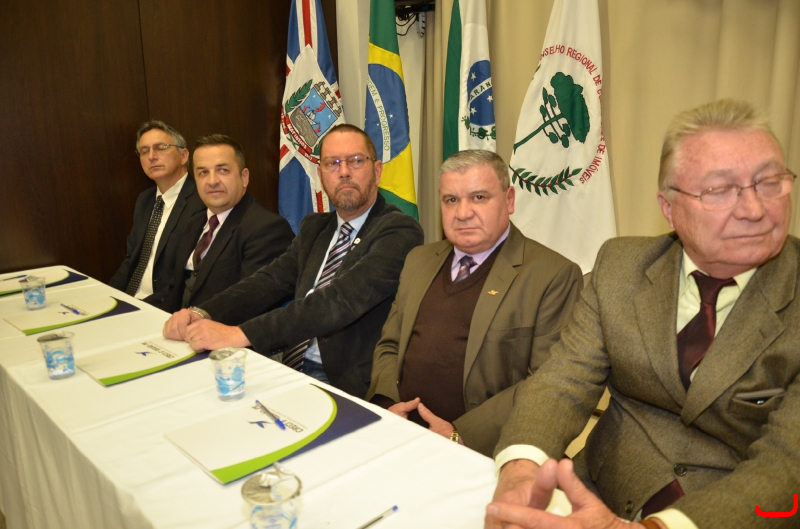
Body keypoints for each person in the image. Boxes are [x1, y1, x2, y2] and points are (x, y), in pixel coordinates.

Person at [485, 99, 800, 529]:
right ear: (669, 207)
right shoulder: (621, 266)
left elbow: (787, 465)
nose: (754, 210)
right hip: (592, 493)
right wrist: (522, 471)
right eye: (720, 191)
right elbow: (563, 382)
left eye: (769, 182)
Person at [163, 124, 425, 398]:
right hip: (287, 363)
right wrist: (202, 312)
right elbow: (268, 281)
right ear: (321, 175)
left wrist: (240, 334)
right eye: (332, 164)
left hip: (347, 380)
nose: (344, 172)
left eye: (356, 161)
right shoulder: (315, 227)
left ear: (377, 170)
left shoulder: (400, 231)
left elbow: (339, 301)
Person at [367, 150, 582, 457]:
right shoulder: (418, 260)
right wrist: (388, 405)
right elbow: (389, 345)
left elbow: (546, 385)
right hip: (400, 435)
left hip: (480, 453)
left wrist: (461, 435)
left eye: (479, 197)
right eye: (451, 200)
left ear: (509, 200)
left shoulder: (552, 276)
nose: (463, 213)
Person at [149, 134, 294, 313]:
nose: (212, 181)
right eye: (203, 172)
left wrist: (196, 318)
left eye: (223, 170)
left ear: (244, 177)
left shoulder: (268, 229)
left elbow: (250, 303)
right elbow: (174, 291)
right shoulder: (193, 224)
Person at [109, 121, 206, 300]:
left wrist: (143, 307)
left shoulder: (202, 202)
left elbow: (188, 276)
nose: (152, 156)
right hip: (131, 298)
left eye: (161, 148)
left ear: (184, 156)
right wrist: (107, 296)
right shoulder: (145, 200)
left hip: (164, 305)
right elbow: (131, 259)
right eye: (144, 151)